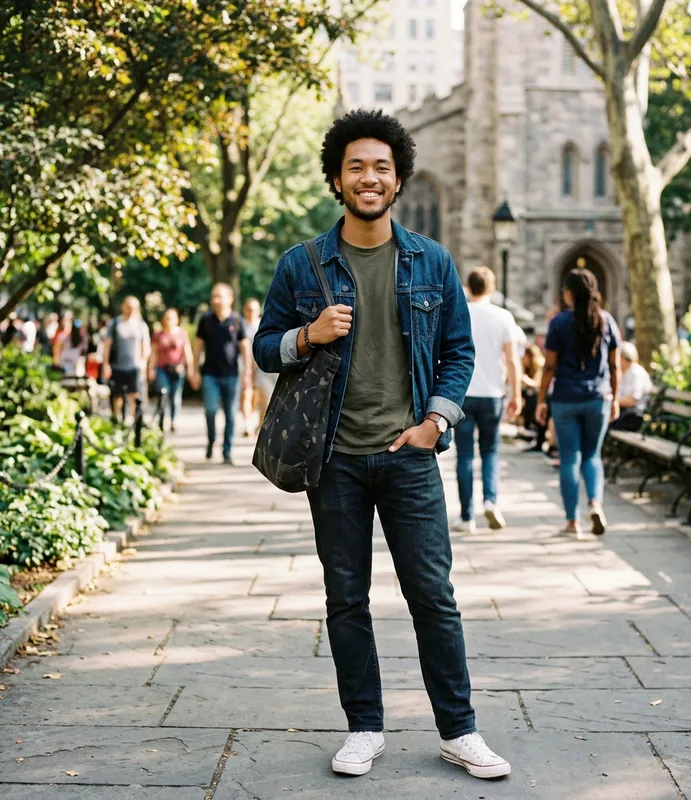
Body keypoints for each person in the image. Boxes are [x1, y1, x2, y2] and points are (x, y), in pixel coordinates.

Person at [253, 110, 509, 781]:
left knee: (434, 596)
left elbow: (457, 351)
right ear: (337, 179)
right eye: (356, 167)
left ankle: (460, 730)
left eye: (382, 168)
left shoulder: (432, 261)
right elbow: (264, 347)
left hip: (410, 456)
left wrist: (435, 422)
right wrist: (308, 335)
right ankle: (364, 727)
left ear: (398, 180)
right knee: (347, 598)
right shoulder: (301, 265)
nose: (370, 178)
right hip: (332, 459)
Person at [536, 268, 621, 537]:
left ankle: (573, 521)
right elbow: (615, 366)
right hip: (598, 398)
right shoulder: (606, 321)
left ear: (570, 293)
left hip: (565, 398)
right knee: (592, 456)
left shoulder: (559, 323)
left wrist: (541, 399)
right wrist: (615, 398)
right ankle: (595, 503)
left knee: (569, 458)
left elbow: (549, 366)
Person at [453, 267, 522, 533]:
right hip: (493, 394)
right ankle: (490, 500)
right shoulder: (503, 317)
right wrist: (515, 394)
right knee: (490, 451)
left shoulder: (460, 312)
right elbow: (512, 360)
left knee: (465, 456)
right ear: (491, 288)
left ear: (468, 288)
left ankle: (466, 516)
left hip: (463, 394)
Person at [193, 284, 253, 464]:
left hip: (231, 375)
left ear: (230, 298)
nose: (215, 300)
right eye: (213, 296)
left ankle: (227, 451)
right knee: (210, 410)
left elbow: (244, 347)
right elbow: (197, 347)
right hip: (210, 374)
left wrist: (247, 372)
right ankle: (211, 441)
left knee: (230, 414)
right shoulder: (205, 320)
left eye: (219, 296)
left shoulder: (236, 320)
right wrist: (194, 370)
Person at [102, 296, 150, 422]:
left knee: (134, 394)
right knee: (117, 394)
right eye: (128, 306)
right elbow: (107, 345)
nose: (130, 309)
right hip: (117, 365)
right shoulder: (115, 324)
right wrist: (105, 364)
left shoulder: (140, 325)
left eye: (133, 307)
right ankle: (116, 419)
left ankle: (133, 420)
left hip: (134, 366)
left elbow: (145, 346)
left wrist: (143, 362)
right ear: (123, 306)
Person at [148, 309, 195, 432]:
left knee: (175, 396)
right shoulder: (158, 335)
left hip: (177, 369)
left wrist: (190, 369)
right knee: (163, 392)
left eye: (171, 317)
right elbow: (154, 353)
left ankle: (174, 420)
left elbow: (187, 352)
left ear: (176, 319)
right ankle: (161, 419)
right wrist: (150, 368)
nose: (168, 320)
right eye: (166, 317)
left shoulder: (181, 334)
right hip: (162, 368)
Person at [240, 298, 277, 435]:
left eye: (254, 309)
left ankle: (260, 423)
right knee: (246, 395)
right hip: (245, 367)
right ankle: (246, 425)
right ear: (245, 310)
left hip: (261, 368)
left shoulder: (263, 325)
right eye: (249, 309)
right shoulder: (241, 325)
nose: (251, 312)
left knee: (264, 399)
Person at [611, 341, 652, 431]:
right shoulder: (624, 372)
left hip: (632, 415)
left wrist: (612, 401)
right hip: (623, 412)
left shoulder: (636, 373)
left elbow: (631, 400)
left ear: (624, 358)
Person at [521, 343, 545, 431]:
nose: (524, 359)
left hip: (542, 395)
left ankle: (530, 426)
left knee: (530, 397)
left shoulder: (540, 365)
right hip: (536, 394)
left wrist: (526, 380)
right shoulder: (529, 367)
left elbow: (539, 384)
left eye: (525, 357)